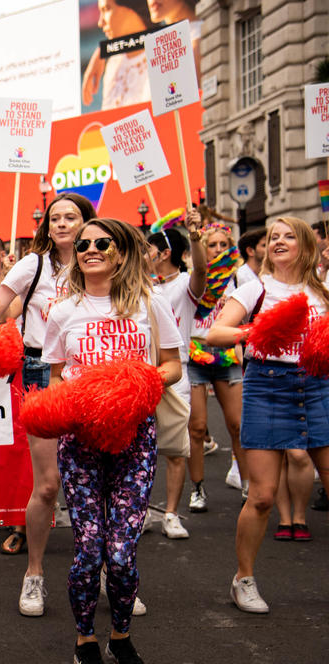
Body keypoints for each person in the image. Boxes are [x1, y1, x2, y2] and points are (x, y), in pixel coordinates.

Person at [43, 218, 183, 664]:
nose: (90, 249)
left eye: (102, 243)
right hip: (81, 441)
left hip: (133, 438)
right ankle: (85, 640)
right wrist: (77, 397)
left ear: (121, 253)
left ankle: (121, 637)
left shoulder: (150, 303)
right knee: (88, 548)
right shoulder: (63, 312)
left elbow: (172, 367)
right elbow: (57, 377)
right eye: (83, 244)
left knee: (122, 552)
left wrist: (130, 384)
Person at [0, 193, 96, 616]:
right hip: (41, 371)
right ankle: (34, 574)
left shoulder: (102, 260)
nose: (63, 224)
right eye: (55, 218)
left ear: (87, 222)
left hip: (91, 372)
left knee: (95, 482)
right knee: (48, 485)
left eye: (71, 217)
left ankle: (110, 573)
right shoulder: (34, 264)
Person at [206, 217, 329, 614]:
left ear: (305, 245)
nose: (277, 242)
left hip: (318, 386)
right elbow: (214, 334)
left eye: (288, 236)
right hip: (268, 387)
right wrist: (258, 330)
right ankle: (243, 579)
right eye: (273, 237)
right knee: (260, 497)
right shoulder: (255, 287)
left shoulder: (321, 290)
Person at [147, 217, 207, 540]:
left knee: (174, 448)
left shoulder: (184, 285)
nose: (145, 253)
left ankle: (171, 513)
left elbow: (200, 271)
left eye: (150, 248)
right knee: (138, 449)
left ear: (166, 252)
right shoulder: (141, 286)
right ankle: (139, 511)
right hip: (143, 373)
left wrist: (194, 237)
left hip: (175, 372)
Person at [186, 223, 248, 513]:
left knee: (237, 425)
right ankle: (197, 489)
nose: (219, 250)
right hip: (195, 354)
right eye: (213, 245)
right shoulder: (195, 278)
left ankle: (248, 481)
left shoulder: (239, 277)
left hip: (226, 353)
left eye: (224, 245)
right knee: (197, 428)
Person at [81, 0, 153, 110]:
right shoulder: (114, 63)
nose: (100, 22)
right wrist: (103, 50)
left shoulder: (161, 55)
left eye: (106, 9)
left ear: (131, 8)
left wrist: (103, 50)